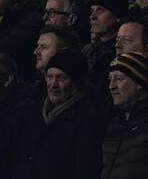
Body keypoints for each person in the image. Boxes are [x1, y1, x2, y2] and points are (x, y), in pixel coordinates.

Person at [14, 48, 101, 179]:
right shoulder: (36, 112)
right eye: (50, 76)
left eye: (62, 77)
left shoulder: (87, 120)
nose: (53, 84)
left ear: (76, 81)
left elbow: (85, 170)